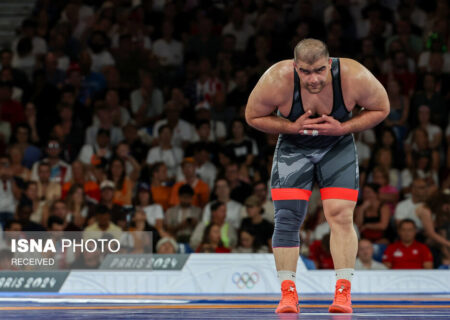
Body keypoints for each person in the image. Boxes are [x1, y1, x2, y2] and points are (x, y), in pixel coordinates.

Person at [245, 39, 389, 313]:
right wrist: (289, 126)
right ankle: (288, 294)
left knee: (341, 215)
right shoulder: (277, 78)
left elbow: (382, 109)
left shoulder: (352, 75)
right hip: (293, 146)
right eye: (306, 72)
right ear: (295, 67)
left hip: (338, 145)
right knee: (286, 218)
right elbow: (253, 115)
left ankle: (343, 293)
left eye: (320, 71)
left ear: (330, 63)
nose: (313, 79)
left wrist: (344, 127)